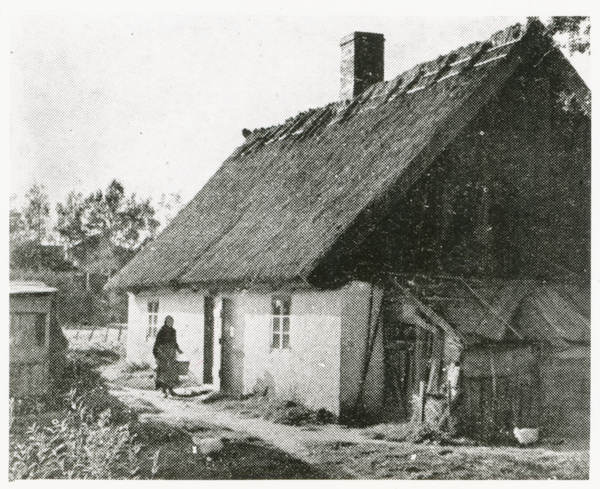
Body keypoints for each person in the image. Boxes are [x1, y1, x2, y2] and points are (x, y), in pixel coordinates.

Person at [152, 315, 183, 397]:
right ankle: (163, 390)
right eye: (169, 322)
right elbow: (157, 343)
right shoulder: (162, 331)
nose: (171, 323)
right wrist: (156, 354)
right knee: (164, 372)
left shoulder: (173, 331)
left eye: (172, 322)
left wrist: (178, 349)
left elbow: (174, 342)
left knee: (172, 372)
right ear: (166, 322)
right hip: (163, 354)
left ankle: (171, 390)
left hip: (171, 354)